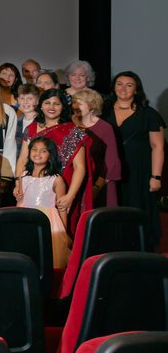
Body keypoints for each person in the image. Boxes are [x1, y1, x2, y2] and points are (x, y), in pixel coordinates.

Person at [15, 88, 91, 236]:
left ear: (63, 107)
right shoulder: (31, 129)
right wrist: (18, 185)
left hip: (62, 188)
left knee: (59, 232)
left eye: (56, 104)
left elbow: (80, 167)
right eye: (47, 103)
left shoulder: (73, 131)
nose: (51, 107)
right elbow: (23, 159)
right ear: (40, 105)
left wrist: (70, 196)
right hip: (32, 187)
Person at [102, 71, 165, 248]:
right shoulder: (103, 111)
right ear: (114, 87)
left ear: (136, 90)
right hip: (109, 171)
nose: (123, 88)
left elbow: (158, 147)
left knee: (138, 207)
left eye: (129, 85)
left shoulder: (149, 114)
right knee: (112, 206)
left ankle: (139, 248)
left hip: (139, 171)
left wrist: (156, 177)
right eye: (119, 84)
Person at [17, 136, 70, 268]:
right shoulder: (23, 176)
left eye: (43, 151)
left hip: (48, 222)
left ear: (50, 155)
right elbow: (20, 201)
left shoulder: (56, 179)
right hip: (26, 219)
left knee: (46, 258)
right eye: (34, 149)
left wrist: (64, 231)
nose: (38, 153)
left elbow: (62, 208)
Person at [73, 88, 121, 207]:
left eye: (80, 103)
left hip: (99, 183)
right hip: (74, 181)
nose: (75, 106)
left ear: (92, 106)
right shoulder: (69, 124)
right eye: (74, 103)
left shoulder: (105, 128)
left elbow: (111, 160)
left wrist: (97, 187)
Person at [15, 84, 41, 152]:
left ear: (37, 101)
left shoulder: (41, 122)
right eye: (22, 98)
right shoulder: (15, 122)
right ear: (18, 100)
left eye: (30, 98)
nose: (25, 102)